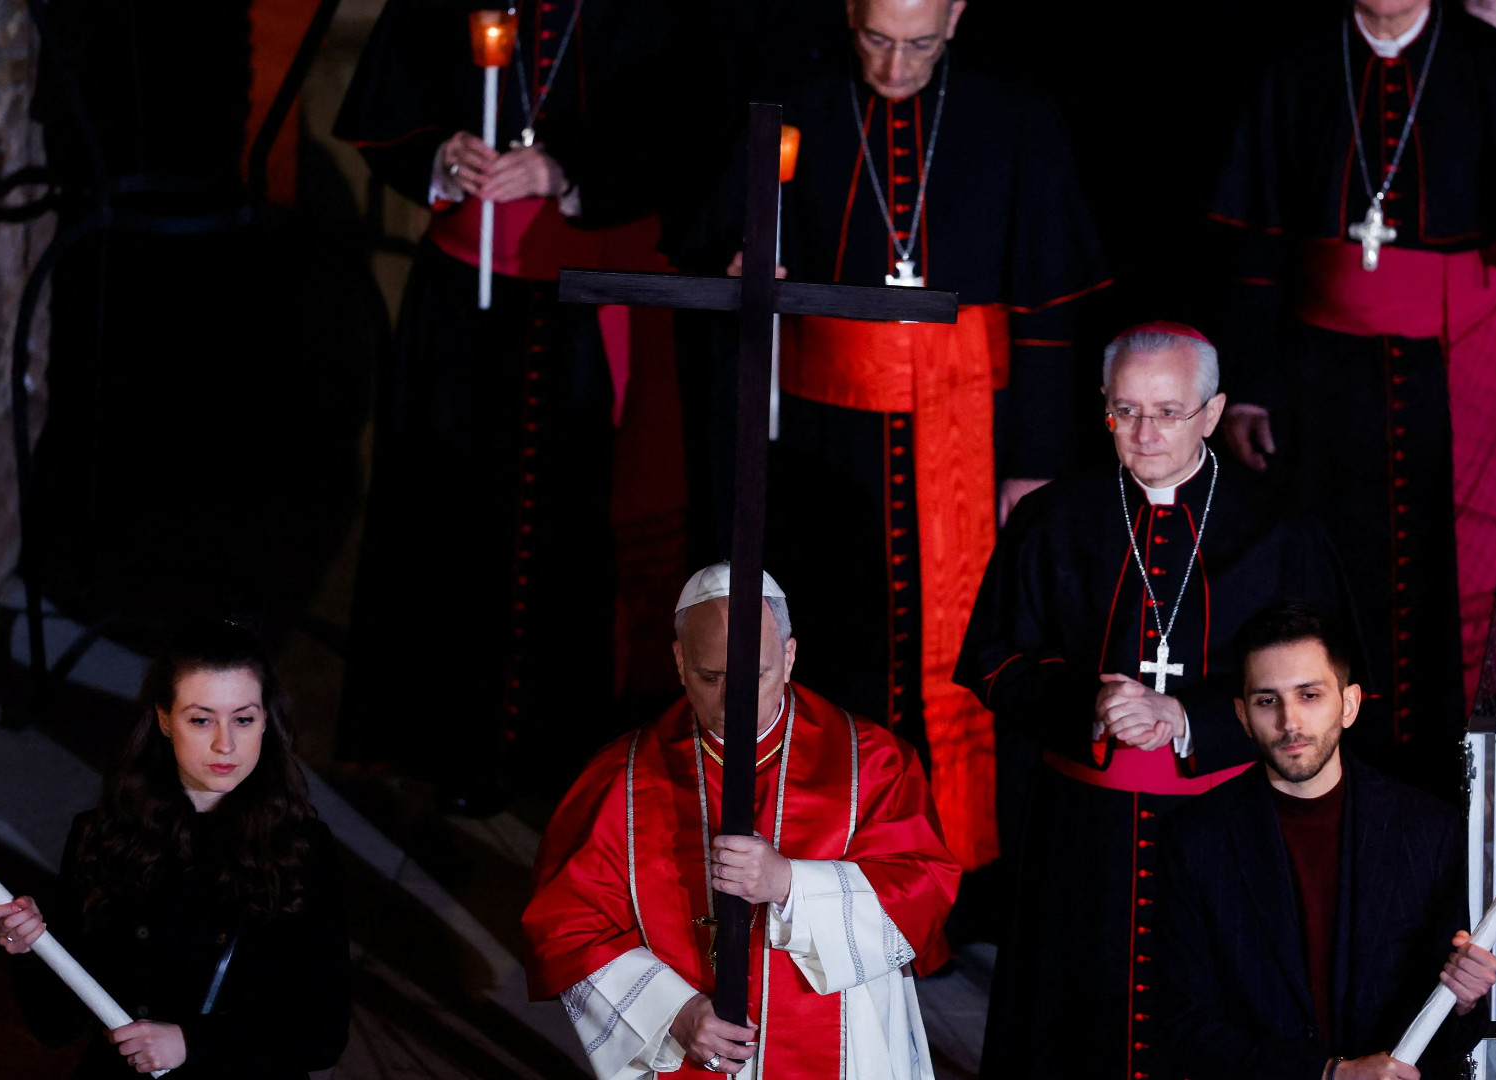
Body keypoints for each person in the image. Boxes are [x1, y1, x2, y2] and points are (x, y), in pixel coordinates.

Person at [681, 0, 1111, 871]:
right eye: (877, 40)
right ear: (850, 13)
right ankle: (837, 861)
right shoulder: (798, 104)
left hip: (976, 433)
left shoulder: (1014, 115)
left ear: (954, 16)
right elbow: (720, 238)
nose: (895, 66)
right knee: (845, 642)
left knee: (975, 652)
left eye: (917, 43)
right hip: (826, 439)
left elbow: (1049, 305)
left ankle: (972, 870)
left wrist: (1033, 461)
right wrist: (740, 258)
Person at [955, 323, 1360, 1080]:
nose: (1145, 434)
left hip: (1231, 826)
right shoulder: (1053, 517)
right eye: (1126, 411)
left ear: (1213, 413)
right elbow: (992, 662)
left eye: (1169, 412)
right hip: (1082, 838)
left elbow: (1325, 687)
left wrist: (1188, 719)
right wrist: (1091, 708)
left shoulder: (1280, 528)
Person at [331, 0, 690, 812]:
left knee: (578, 531)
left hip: (596, 299)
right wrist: (439, 155)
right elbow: (393, 99)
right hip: (464, 300)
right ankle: (456, 751)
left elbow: (682, 121)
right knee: (453, 522)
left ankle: (572, 765)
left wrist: (565, 172)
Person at [1209, 0, 1496, 794]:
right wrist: (1250, 387)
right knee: (1333, 563)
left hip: (1463, 368)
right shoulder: (1296, 67)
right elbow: (1254, 238)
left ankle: (1461, 768)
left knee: (1455, 573)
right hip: (1323, 381)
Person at [521, 563, 961, 1079]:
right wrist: (674, 1012)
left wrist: (789, 882)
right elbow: (566, 928)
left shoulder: (875, 763)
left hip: (839, 1048)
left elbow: (923, 890)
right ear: (680, 662)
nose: (735, 700)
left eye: (757, 675)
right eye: (711, 677)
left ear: (789, 657)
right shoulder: (620, 780)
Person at [0, 620, 349, 1078]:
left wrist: (190, 1042)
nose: (225, 744)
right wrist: (31, 948)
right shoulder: (104, 834)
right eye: (201, 719)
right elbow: (57, 1025)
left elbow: (323, 1034)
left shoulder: (302, 850)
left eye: (243, 719)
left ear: (265, 722)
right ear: (164, 720)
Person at [1154, 600, 1496, 1080]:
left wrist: (1465, 1000)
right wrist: (1331, 1074)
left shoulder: (1427, 828)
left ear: (1349, 704)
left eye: (1310, 695)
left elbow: (1450, 1032)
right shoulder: (1193, 840)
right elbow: (1185, 1030)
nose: (1290, 722)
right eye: (1267, 701)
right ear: (1242, 715)